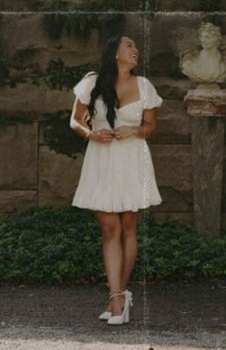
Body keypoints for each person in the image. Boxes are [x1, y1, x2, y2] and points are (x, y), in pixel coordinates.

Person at [70, 34, 163, 326]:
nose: (135, 50)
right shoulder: (92, 83)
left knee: (127, 226)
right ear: (114, 53)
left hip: (132, 159)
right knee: (109, 228)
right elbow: (74, 119)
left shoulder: (144, 85)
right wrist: (91, 134)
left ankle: (119, 296)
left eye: (136, 46)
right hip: (102, 158)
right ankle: (117, 297)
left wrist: (134, 131)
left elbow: (151, 127)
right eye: (129, 45)